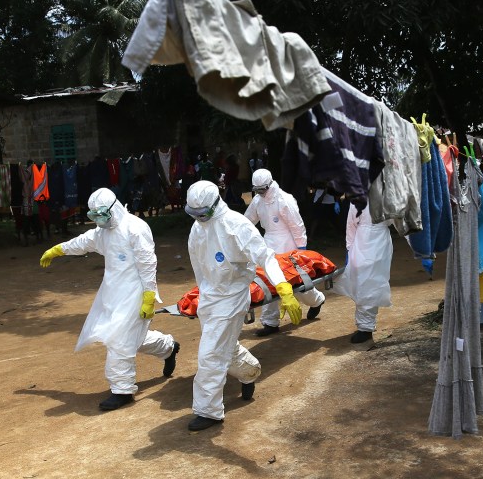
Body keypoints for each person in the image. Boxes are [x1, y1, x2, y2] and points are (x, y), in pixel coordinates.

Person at [39, 188, 180, 411]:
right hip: (113, 293)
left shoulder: (135, 228)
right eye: (94, 217)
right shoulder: (102, 232)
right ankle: (168, 347)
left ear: (113, 208)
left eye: (101, 215)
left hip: (137, 292)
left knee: (119, 340)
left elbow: (147, 263)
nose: (99, 220)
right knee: (129, 336)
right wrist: (58, 250)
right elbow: (83, 242)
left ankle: (122, 389)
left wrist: (149, 296)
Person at [184, 180, 303, 431]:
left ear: (215, 205)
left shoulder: (236, 226)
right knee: (223, 344)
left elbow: (265, 257)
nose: (198, 218)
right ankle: (249, 372)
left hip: (233, 295)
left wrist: (283, 288)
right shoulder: (198, 229)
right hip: (211, 297)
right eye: (194, 214)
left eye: (202, 213)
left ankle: (209, 411)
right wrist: (203, 293)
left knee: (210, 354)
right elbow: (199, 267)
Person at [244, 169, 325, 336]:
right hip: (268, 244)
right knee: (268, 281)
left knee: (296, 283)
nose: (260, 193)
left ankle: (316, 301)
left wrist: (301, 250)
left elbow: (297, 226)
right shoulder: (258, 201)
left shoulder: (284, 200)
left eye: (262, 190)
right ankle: (270, 322)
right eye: (257, 190)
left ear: (270, 184)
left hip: (288, 244)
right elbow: (247, 221)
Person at [333, 200, 393, 344]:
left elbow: (402, 220)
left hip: (379, 242)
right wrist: (349, 248)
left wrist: (421, 248)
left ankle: (366, 328)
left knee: (372, 284)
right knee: (360, 283)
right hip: (360, 241)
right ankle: (365, 324)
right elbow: (351, 224)